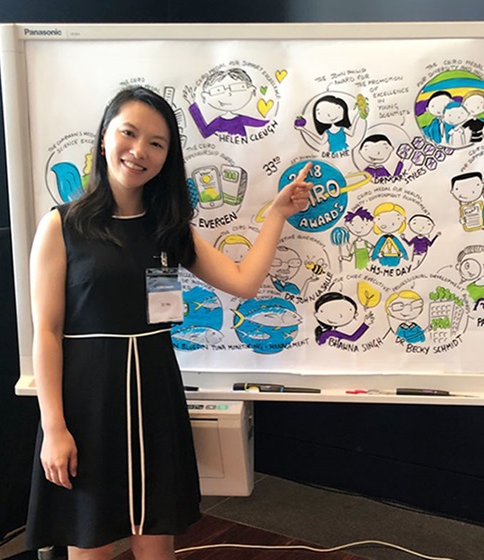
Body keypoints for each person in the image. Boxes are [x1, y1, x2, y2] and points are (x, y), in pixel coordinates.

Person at [26, 86, 311, 560]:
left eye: (156, 143)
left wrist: (277, 215)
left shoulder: (168, 227)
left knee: (156, 537)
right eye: (129, 133)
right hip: (87, 402)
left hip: (155, 393)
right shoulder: (61, 226)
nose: (139, 151)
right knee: (89, 541)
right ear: (104, 138)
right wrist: (53, 427)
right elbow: (48, 332)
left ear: (167, 157)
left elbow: (242, 282)